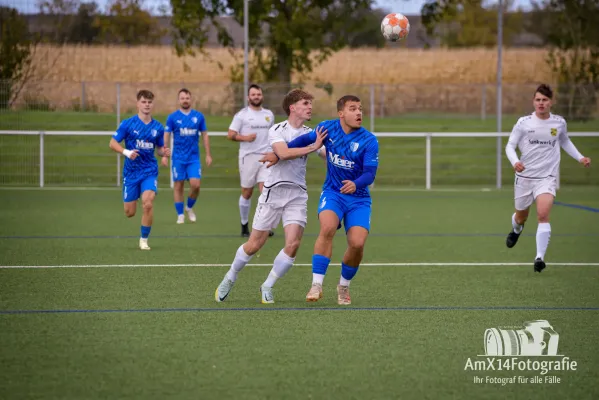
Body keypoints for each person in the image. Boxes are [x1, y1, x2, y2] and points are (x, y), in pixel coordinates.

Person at [215, 89, 327, 304]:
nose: (310, 107)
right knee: (255, 244)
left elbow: (324, 154)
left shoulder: (311, 132)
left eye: (310, 103)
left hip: (297, 194)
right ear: (292, 107)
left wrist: (331, 153)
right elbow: (283, 153)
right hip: (273, 192)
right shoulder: (277, 129)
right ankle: (230, 276)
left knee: (293, 244)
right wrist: (313, 146)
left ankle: (268, 285)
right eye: (305, 103)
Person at [285, 95, 379, 305]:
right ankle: (316, 284)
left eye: (360, 108)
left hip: (359, 199)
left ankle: (343, 286)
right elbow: (304, 140)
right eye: (353, 109)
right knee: (327, 228)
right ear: (341, 114)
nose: (359, 113)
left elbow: (370, 174)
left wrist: (356, 183)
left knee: (357, 244)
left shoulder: (369, 140)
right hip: (333, 193)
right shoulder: (328, 128)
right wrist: (282, 151)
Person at [505, 84, 591, 272]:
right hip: (525, 177)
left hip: (547, 177)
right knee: (521, 217)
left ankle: (539, 258)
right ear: (533, 102)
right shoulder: (523, 123)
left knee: (543, 215)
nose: (541, 103)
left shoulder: (559, 123)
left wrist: (580, 157)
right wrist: (515, 161)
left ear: (551, 102)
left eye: (544, 100)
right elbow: (509, 146)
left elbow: (564, 141)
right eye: (538, 100)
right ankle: (516, 229)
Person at [109, 89, 171, 250]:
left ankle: (144, 240)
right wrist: (127, 152)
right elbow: (112, 143)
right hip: (131, 173)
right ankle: (136, 194)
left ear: (153, 104)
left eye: (149, 102)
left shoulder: (158, 127)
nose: (147, 105)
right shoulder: (127, 124)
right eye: (143, 102)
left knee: (148, 204)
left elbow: (158, 149)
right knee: (129, 213)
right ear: (137, 104)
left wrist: (163, 152)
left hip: (149, 171)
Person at [227, 84, 275, 237]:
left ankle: (263, 226)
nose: (256, 97)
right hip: (248, 157)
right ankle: (244, 225)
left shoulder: (269, 114)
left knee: (265, 191)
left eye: (258, 94)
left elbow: (273, 135)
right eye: (253, 94)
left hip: (265, 157)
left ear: (262, 96)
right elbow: (231, 134)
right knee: (247, 193)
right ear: (248, 97)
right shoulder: (241, 115)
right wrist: (245, 138)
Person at [161, 88, 212, 224]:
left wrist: (208, 154)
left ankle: (188, 207)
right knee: (179, 185)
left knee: (196, 185)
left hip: (193, 158)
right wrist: (165, 154)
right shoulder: (172, 117)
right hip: (178, 157)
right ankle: (180, 215)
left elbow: (205, 135)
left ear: (191, 99)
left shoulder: (198, 116)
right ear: (179, 100)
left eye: (187, 98)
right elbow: (166, 135)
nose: (185, 100)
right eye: (182, 98)